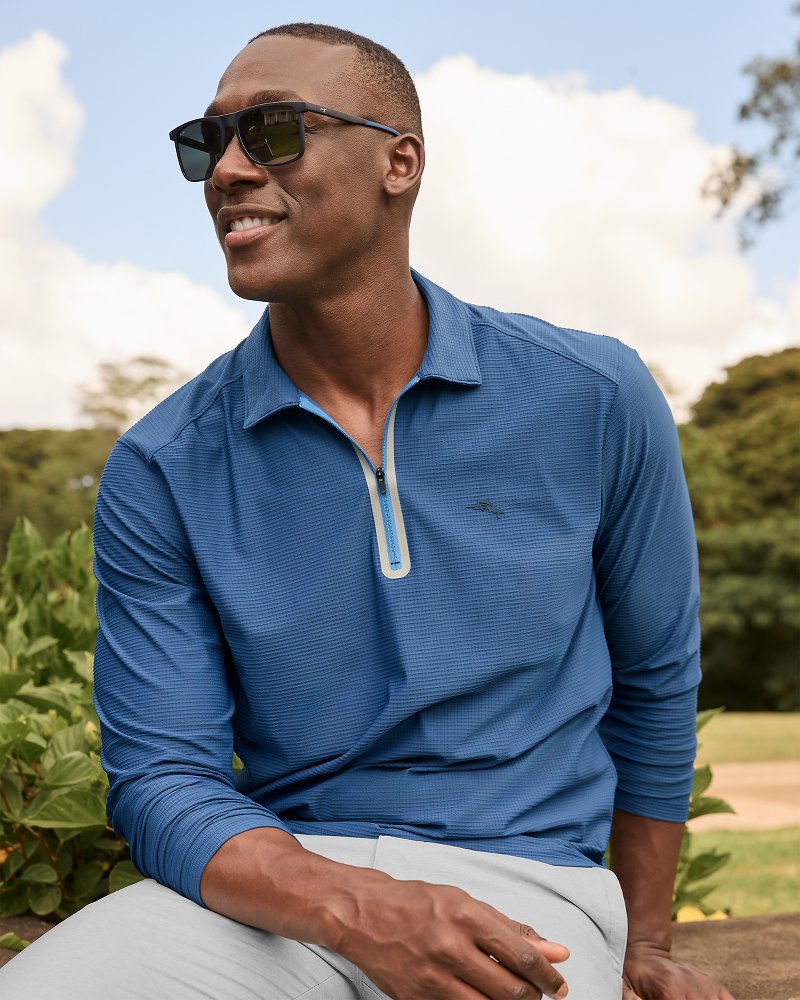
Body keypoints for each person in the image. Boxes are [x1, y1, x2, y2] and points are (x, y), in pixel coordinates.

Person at [0, 22, 735, 1000]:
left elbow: (654, 683)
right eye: (207, 142)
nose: (228, 170)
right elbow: (164, 779)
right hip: (271, 891)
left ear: (400, 162)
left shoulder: (593, 396)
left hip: (533, 888)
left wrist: (641, 942)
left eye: (272, 130)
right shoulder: (162, 463)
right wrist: (356, 906)